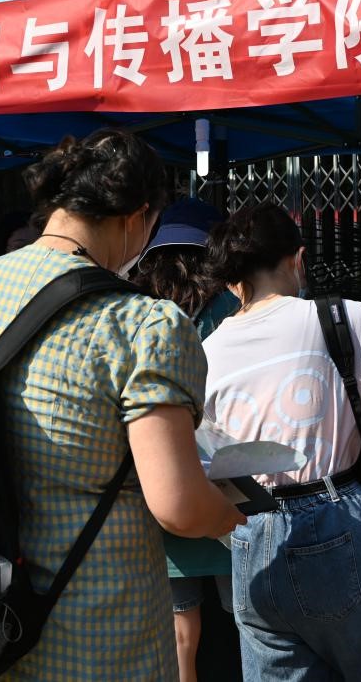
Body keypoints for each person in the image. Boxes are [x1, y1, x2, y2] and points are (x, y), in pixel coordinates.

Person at [0, 130, 244, 681]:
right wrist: (234, 518)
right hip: (99, 630)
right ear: (136, 217)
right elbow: (178, 504)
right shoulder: (141, 323)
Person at [201, 202, 361, 682]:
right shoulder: (339, 320)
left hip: (250, 536)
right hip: (335, 517)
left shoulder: (208, 350)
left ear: (234, 280)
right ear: (297, 260)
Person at [130, 198, 240, 682]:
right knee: (250, 624)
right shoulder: (231, 305)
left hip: (162, 474)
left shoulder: (137, 309)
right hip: (232, 479)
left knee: (180, 633)